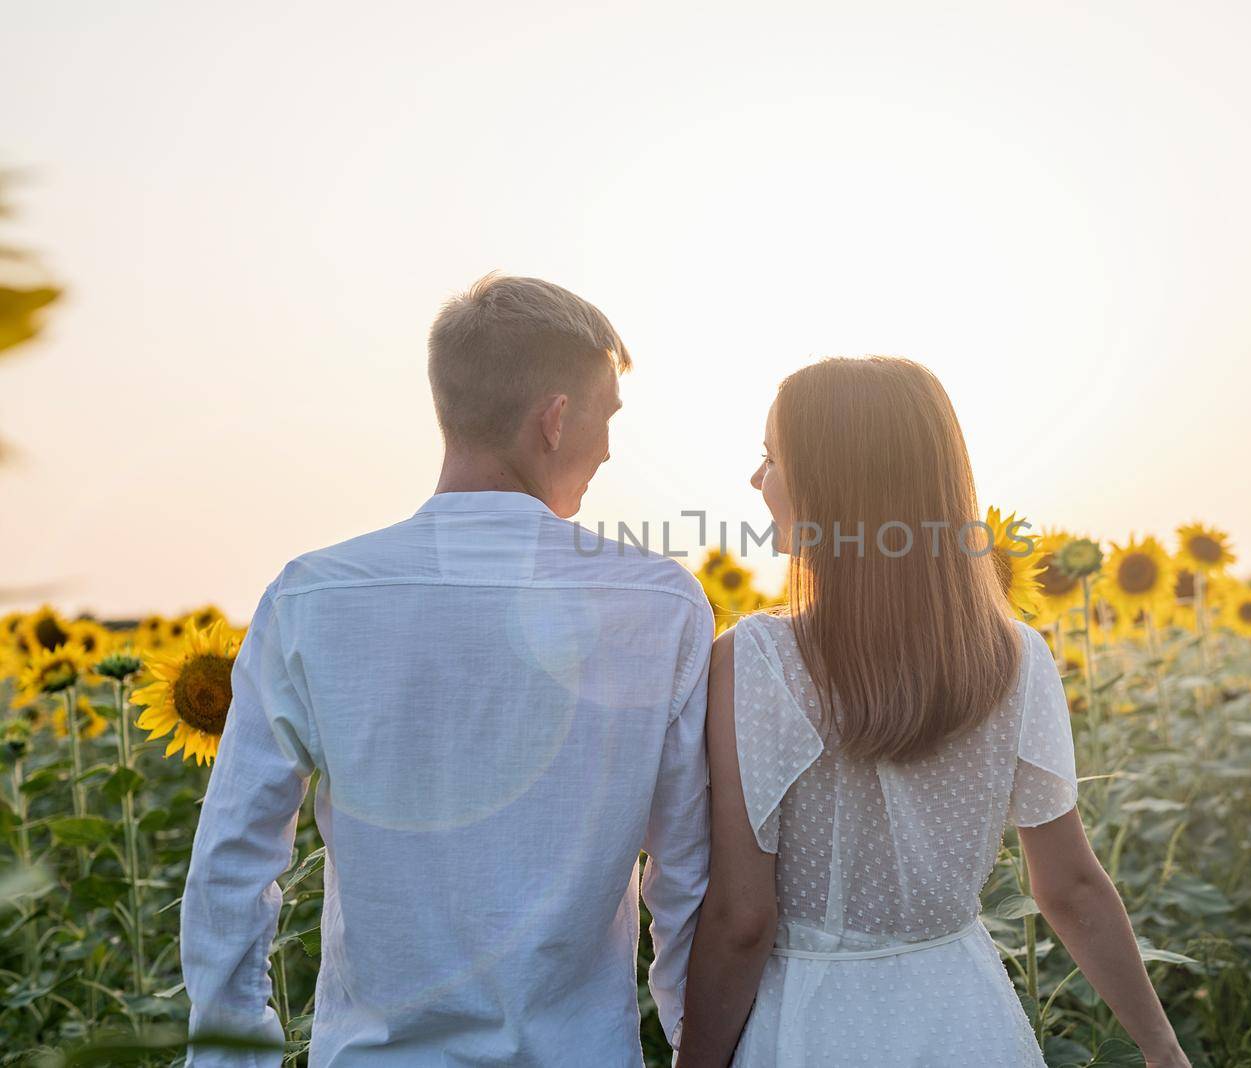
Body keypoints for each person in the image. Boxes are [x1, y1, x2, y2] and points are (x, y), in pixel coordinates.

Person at [179, 274, 714, 1066]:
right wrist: (687, 1042)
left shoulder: (314, 597)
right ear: (556, 420)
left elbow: (232, 855)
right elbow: (688, 874)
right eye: (607, 419)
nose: (609, 447)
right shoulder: (658, 606)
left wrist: (234, 1055)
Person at [676, 356, 1189, 1067]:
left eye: (772, 458)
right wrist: (1163, 1048)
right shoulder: (1016, 658)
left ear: (836, 484)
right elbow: (1070, 887)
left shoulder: (757, 660)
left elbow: (741, 920)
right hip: (966, 1019)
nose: (757, 481)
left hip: (812, 1027)